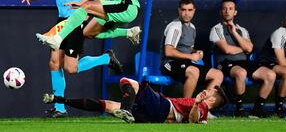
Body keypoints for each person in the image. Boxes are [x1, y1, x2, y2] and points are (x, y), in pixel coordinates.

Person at [21, 0, 122, 118]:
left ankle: (106, 58)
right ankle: (60, 108)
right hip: (61, 21)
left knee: (71, 68)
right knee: (54, 62)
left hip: (75, 21)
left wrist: (89, 12)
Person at [43, 77, 228, 123]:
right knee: (107, 106)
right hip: (154, 118)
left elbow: (194, 120)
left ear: (212, 101)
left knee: (128, 82)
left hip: (163, 106)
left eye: (210, 91)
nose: (206, 90)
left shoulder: (202, 107)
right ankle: (61, 99)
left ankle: (127, 109)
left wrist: (196, 102)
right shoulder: (202, 109)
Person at [160, 0, 223, 98]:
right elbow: (168, 51)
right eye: (183, 10)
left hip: (186, 64)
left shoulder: (192, 27)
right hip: (169, 64)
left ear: (194, 11)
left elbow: (188, 48)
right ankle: (186, 107)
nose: (186, 13)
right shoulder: (175, 26)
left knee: (218, 74)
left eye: (189, 10)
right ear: (179, 10)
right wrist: (191, 57)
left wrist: (196, 51)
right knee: (194, 71)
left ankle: (203, 106)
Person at [209, 0, 253, 116]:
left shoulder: (242, 30)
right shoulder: (216, 29)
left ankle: (259, 109)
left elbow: (250, 48)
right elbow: (226, 49)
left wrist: (234, 32)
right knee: (241, 72)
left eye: (230, 9)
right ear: (220, 12)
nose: (227, 11)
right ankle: (239, 109)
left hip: (244, 62)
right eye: (224, 9)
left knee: (269, 74)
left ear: (235, 12)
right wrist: (243, 48)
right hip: (225, 63)